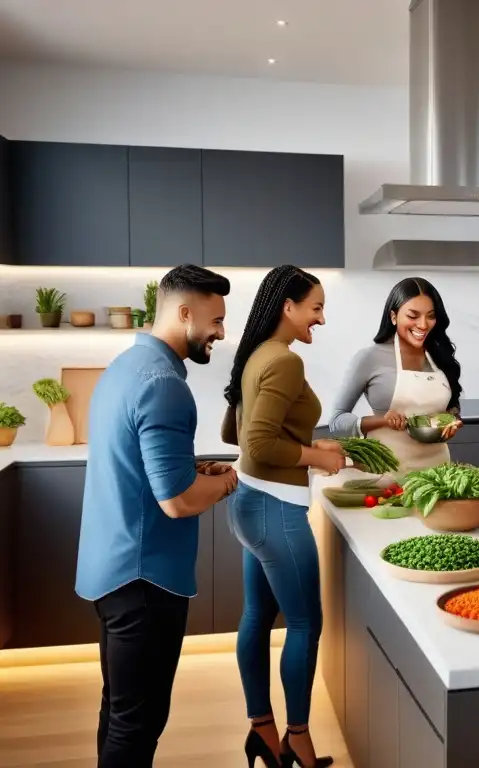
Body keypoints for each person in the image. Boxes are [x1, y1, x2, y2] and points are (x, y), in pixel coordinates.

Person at [75, 264, 237, 768]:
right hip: (145, 579)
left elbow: (139, 464)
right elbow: (179, 501)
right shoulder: (166, 384)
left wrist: (191, 467)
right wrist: (230, 480)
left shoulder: (124, 368)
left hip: (111, 570)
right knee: (138, 724)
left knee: (121, 711)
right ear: (184, 312)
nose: (220, 332)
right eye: (214, 319)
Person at [222, 265, 340, 768]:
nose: (321, 317)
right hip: (277, 511)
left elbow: (236, 436)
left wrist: (313, 443)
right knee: (305, 624)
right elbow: (257, 442)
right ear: (287, 307)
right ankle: (298, 740)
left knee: (257, 618)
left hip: (248, 503)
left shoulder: (256, 355)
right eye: (315, 307)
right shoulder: (285, 362)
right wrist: (318, 458)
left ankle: (263, 732)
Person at [329, 277, 462, 472]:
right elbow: (336, 422)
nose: (423, 325)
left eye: (430, 316)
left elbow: (452, 409)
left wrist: (449, 424)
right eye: (413, 316)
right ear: (394, 316)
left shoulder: (440, 357)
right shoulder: (370, 358)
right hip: (385, 473)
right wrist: (383, 420)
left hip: (437, 473)